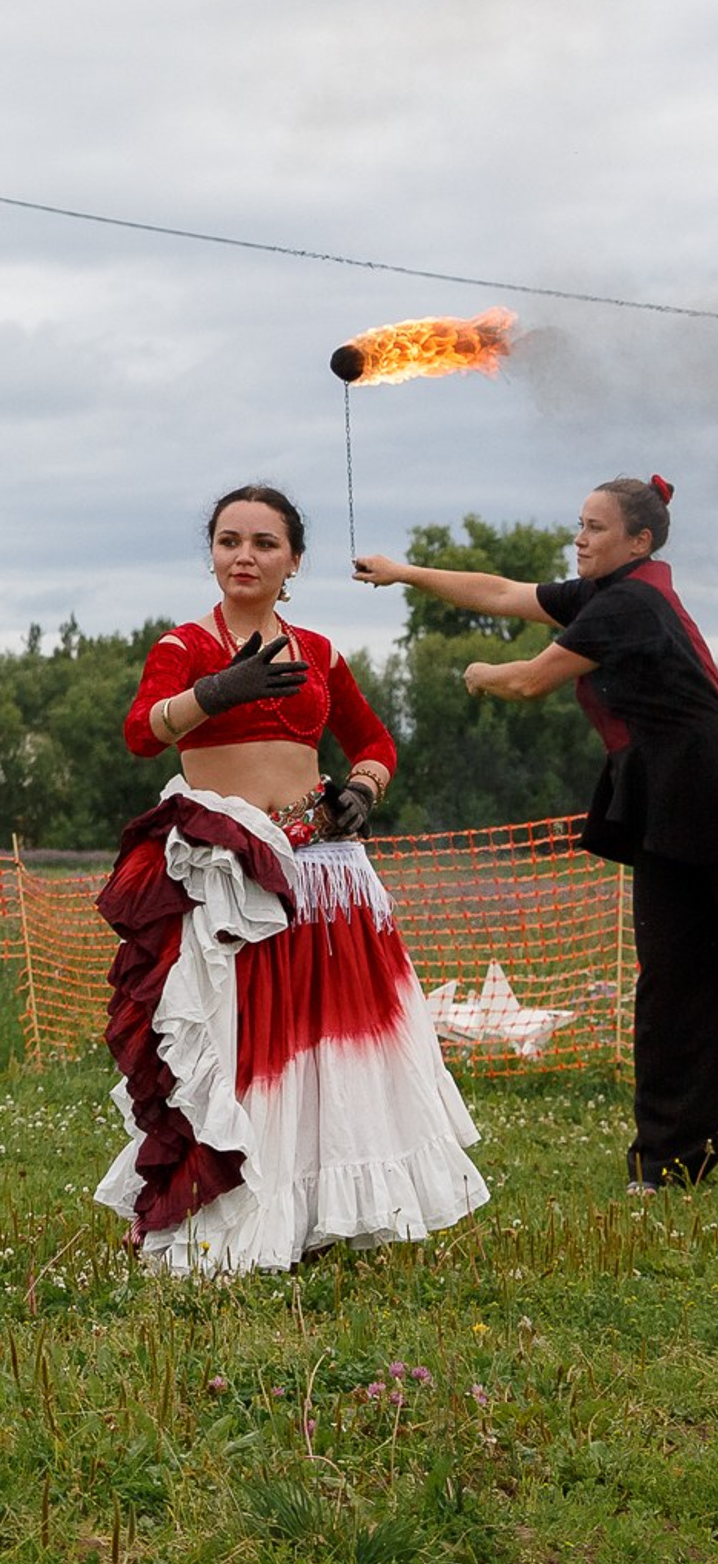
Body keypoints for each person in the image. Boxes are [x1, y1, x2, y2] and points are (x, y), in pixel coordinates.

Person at [96, 484, 486, 1273]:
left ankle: (318, 1212)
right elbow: (141, 733)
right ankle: (237, 1212)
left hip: (323, 869)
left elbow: (374, 740)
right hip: (231, 873)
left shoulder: (320, 651)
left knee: (323, 1049)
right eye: (229, 541)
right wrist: (213, 694)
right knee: (243, 1044)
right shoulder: (185, 647)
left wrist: (362, 791)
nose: (244, 556)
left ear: (294, 562)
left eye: (263, 543)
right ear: (211, 555)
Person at [357, 476, 718, 1189]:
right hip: (685, 791)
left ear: (639, 541)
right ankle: (683, 1150)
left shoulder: (629, 605)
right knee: (691, 977)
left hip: (695, 795)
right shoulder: (615, 593)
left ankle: (667, 1163)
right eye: (578, 524)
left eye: (595, 528)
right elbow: (500, 592)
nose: (578, 539)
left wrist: (483, 672)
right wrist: (404, 574)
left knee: (676, 982)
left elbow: (529, 681)